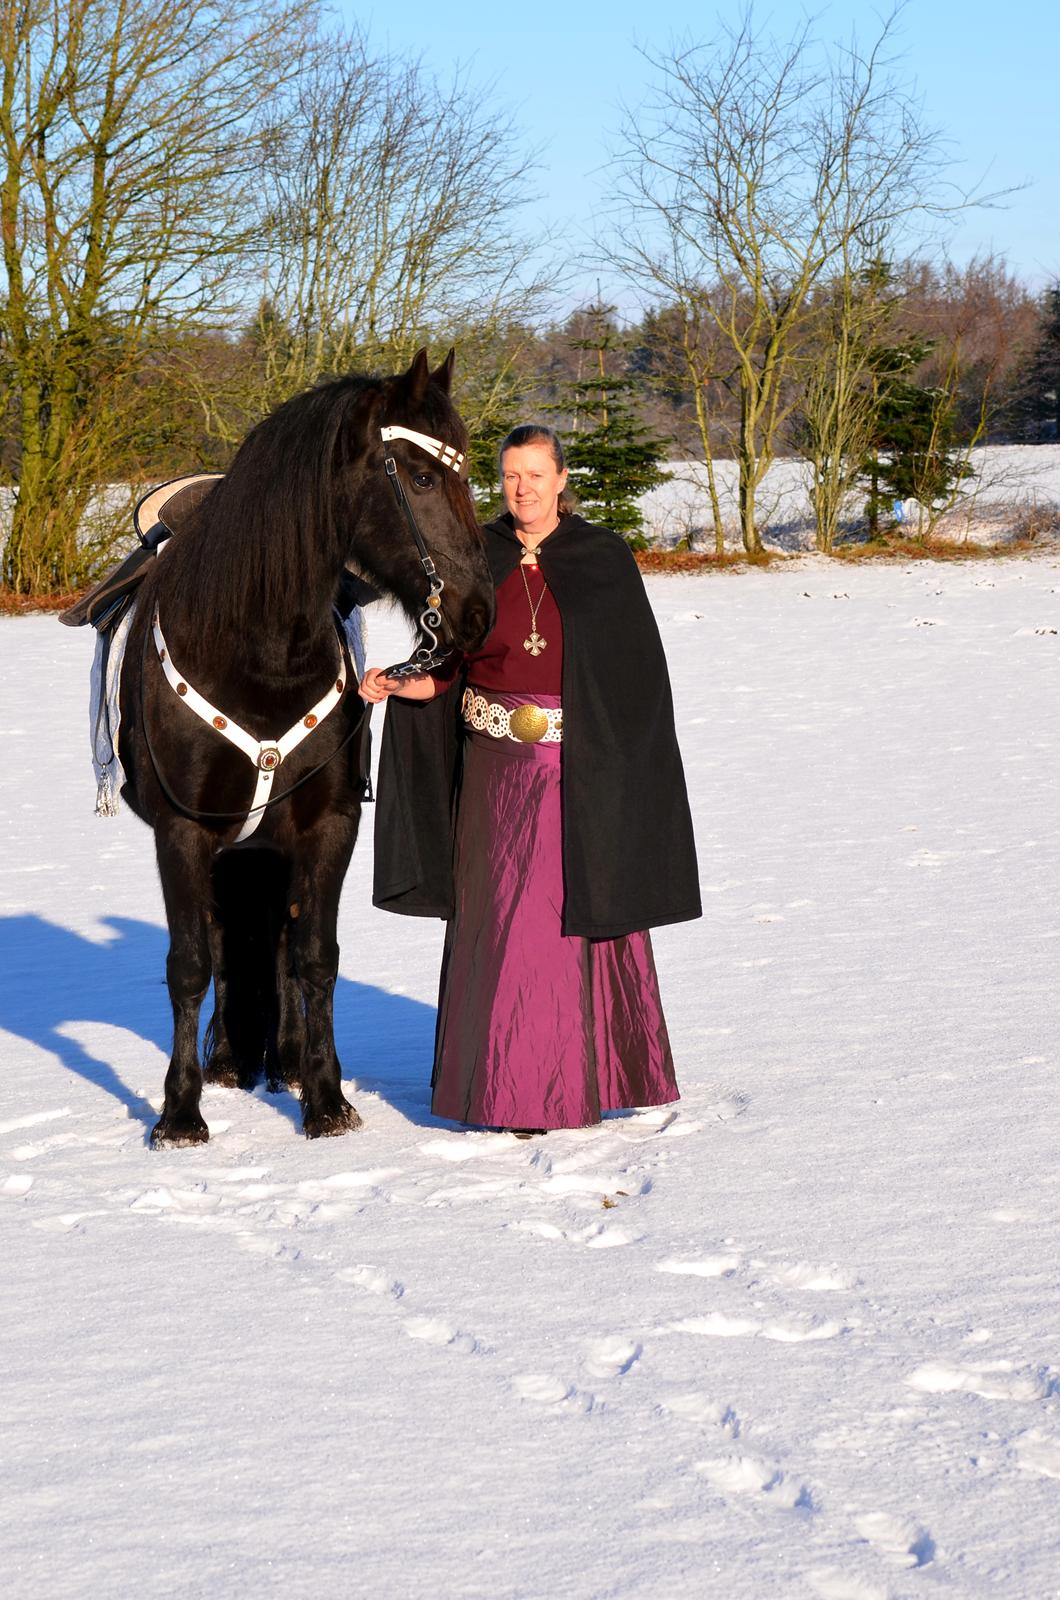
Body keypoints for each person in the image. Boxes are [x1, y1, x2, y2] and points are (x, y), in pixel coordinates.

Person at [360, 425, 701, 1135]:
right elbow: (449, 659)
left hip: (578, 775)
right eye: (512, 475)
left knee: (570, 918)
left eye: (536, 474)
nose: (523, 488)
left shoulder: (602, 557)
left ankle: (594, 1075)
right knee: (503, 925)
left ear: (561, 476)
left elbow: (634, 680)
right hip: (494, 770)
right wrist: (405, 686)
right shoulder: (474, 555)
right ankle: (509, 1090)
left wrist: (623, 775)